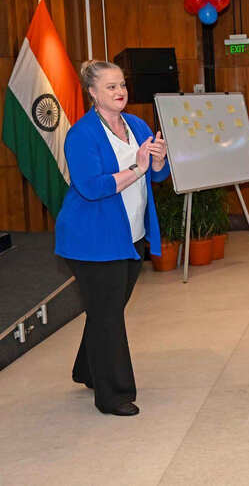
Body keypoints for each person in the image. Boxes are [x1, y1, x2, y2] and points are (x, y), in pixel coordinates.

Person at [55, 60, 170, 416]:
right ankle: (114, 395)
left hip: (129, 234)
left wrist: (156, 163)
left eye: (121, 84)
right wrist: (137, 167)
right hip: (92, 238)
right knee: (109, 317)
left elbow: (157, 176)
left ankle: (87, 369)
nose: (120, 91)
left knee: (107, 309)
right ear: (92, 93)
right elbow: (91, 188)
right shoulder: (81, 134)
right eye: (110, 87)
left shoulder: (136, 124)